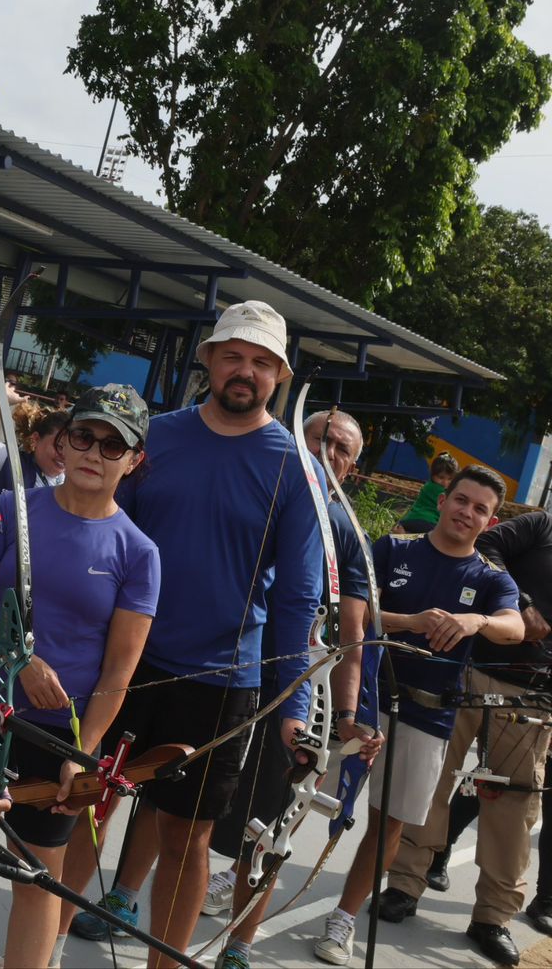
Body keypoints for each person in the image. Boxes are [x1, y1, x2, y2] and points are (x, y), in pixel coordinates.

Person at [65, 301, 326, 968]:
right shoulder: (154, 438)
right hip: (125, 662)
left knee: (189, 836)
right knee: (87, 805)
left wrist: (295, 710)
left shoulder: (297, 467)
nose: (246, 371)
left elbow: (298, 596)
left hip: (220, 682)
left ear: (280, 377)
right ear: (209, 359)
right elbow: (99, 537)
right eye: (234, 355)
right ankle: (43, 948)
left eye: (262, 362)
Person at [0, 384, 159, 969]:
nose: (94, 451)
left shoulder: (138, 553)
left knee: (36, 874)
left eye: (114, 445)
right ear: (63, 440)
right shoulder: (13, 507)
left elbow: (119, 671)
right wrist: (19, 654)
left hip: (53, 738)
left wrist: (82, 753)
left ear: (135, 460)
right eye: (84, 435)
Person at [311, 465, 524, 966]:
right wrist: (413, 622)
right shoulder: (393, 548)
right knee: (309, 795)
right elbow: (352, 612)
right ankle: (243, 880)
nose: (466, 513)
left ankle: (344, 919)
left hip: (429, 719)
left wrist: (477, 621)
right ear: (444, 498)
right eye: (462, 500)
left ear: (489, 523)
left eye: (480, 509)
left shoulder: (490, 580)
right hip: (362, 702)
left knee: (389, 825)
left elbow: (514, 628)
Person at [206, 409, 378, 969]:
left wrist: (347, 713)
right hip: (223, 669)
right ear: (295, 443)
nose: (328, 453)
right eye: (318, 439)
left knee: (274, 821)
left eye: (342, 449)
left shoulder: (346, 533)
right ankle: (129, 896)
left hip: (297, 690)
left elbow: (350, 634)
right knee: (188, 800)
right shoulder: (264, 490)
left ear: (351, 468)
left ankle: (239, 944)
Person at [376, 508, 552, 967]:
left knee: (515, 808)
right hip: (473, 670)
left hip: (535, 696)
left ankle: (492, 918)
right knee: (433, 781)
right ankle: (404, 885)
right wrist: (523, 603)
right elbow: (487, 546)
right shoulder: (541, 526)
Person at [398, 452, 460, 534]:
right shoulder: (438, 490)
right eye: (441, 477)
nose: (445, 482)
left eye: (450, 479)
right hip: (428, 522)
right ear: (433, 475)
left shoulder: (428, 485)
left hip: (410, 519)